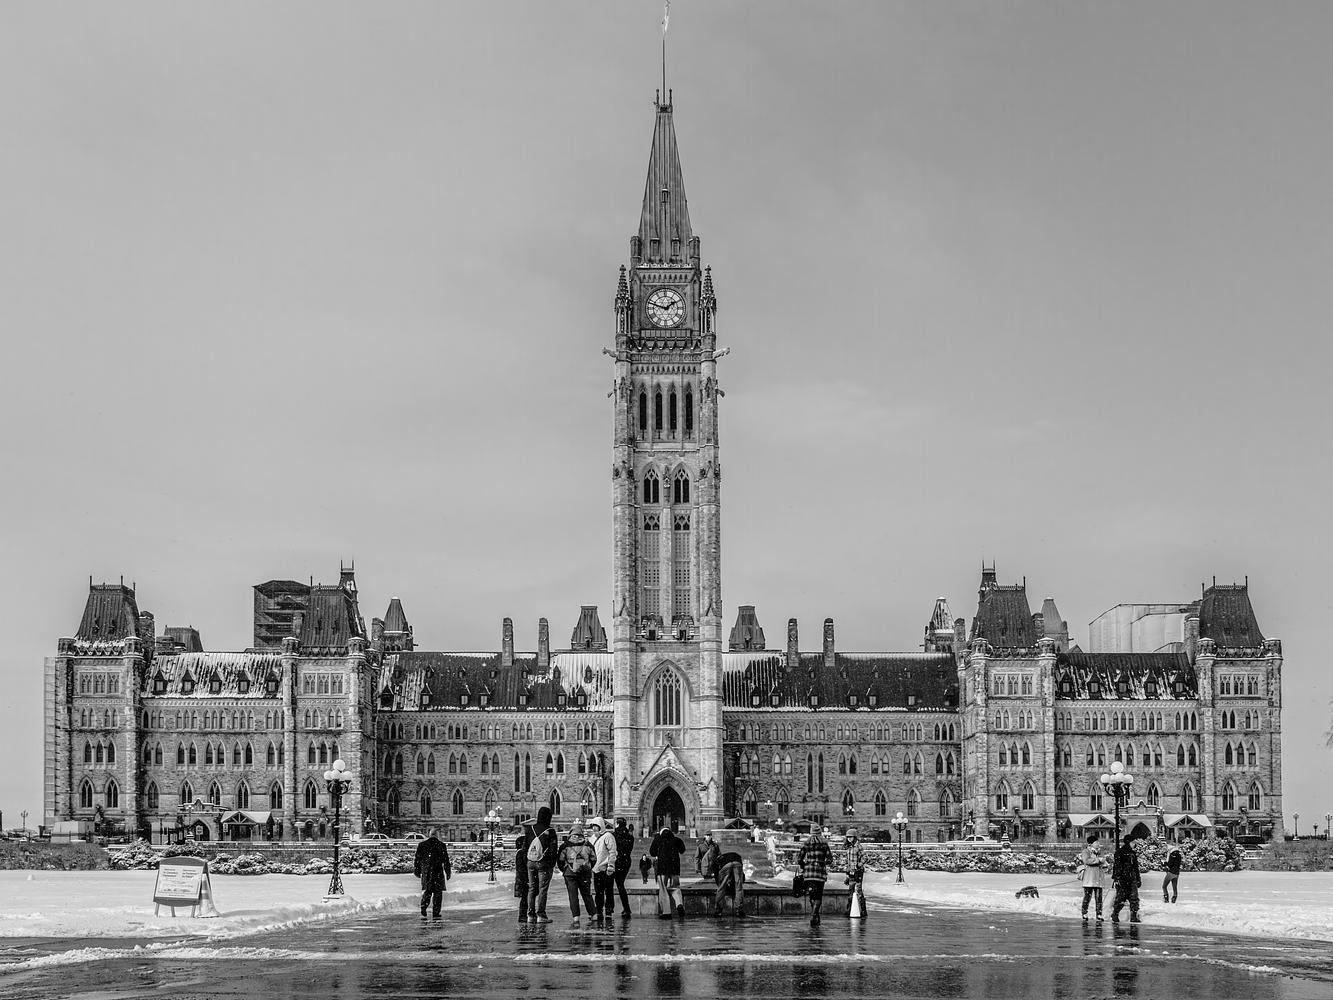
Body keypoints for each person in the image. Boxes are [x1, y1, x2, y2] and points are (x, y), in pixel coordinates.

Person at [556, 821, 597, 922]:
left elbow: (560, 860)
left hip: (570, 873)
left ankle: (576, 917)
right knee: (587, 894)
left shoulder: (565, 845)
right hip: (585, 873)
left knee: (573, 896)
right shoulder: (588, 844)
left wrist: (565, 869)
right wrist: (587, 867)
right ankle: (593, 914)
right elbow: (594, 858)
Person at [524, 805, 558, 923]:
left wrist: (527, 861)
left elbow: (525, 847)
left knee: (532, 888)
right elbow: (553, 850)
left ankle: (530, 915)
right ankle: (541, 915)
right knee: (543, 889)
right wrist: (552, 864)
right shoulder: (550, 831)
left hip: (531, 862)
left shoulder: (530, 829)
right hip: (544, 863)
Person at [796, 826, 832, 927]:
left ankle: (816, 917)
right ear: (820, 833)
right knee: (818, 895)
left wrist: (804, 865)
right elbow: (830, 859)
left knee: (812, 895)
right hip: (819, 873)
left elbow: (799, 859)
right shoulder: (824, 843)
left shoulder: (806, 843)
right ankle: (814, 915)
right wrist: (823, 863)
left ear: (811, 832)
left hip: (808, 874)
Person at [413, 827, 453, 919]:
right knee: (437, 894)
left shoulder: (422, 845)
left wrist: (417, 871)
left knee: (427, 891)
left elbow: (417, 859)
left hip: (426, 872)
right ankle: (436, 912)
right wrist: (448, 872)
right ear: (437, 835)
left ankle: (423, 908)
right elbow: (446, 860)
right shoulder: (441, 845)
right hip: (437, 872)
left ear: (429, 835)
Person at [649, 824, 687, 919]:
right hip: (674, 868)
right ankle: (679, 904)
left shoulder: (658, 839)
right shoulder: (677, 840)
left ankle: (667, 912)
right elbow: (682, 850)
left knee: (663, 889)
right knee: (675, 887)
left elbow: (652, 852)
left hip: (663, 868)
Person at [1110, 830, 1143, 924]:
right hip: (1124, 878)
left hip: (1130, 878)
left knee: (1132, 898)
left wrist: (1138, 879)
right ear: (1129, 842)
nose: (1134, 844)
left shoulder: (1131, 853)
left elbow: (1135, 867)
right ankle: (1116, 913)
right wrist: (1117, 877)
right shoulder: (1121, 852)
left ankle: (1132, 915)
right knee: (1122, 897)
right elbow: (1117, 866)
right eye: (1133, 842)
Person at [589, 817, 619, 919]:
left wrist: (611, 865)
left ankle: (609, 910)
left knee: (608, 891)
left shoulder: (608, 836)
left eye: (596, 826)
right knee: (598, 892)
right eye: (593, 826)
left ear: (600, 826)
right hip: (596, 868)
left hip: (606, 868)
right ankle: (599, 910)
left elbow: (612, 851)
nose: (594, 828)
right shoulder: (592, 838)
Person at [1076, 834, 1106, 922]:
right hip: (1089, 877)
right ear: (1090, 844)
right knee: (1087, 896)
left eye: (1098, 842)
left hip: (1098, 878)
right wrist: (1098, 860)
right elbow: (1086, 861)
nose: (1098, 844)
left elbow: (1103, 860)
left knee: (1099, 897)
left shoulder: (1100, 851)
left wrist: (1103, 862)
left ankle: (1099, 914)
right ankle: (1084, 913)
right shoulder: (1086, 851)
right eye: (1096, 842)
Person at [712, 848, 746, 917]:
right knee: (738, 886)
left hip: (726, 865)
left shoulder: (716, 861)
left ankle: (718, 910)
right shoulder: (735, 855)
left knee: (721, 887)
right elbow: (742, 876)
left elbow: (717, 877)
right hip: (737, 862)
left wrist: (722, 885)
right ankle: (739, 910)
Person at [612, 817, 635, 918]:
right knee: (620, 885)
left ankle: (609, 908)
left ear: (617, 824)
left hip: (616, 861)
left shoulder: (613, 835)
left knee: (610, 885)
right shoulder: (630, 837)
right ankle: (626, 908)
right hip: (626, 861)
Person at [844, 827, 867, 919]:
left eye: (851, 837)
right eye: (848, 837)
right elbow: (848, 861)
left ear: (854, 837)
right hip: (851, 872)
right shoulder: (848, 847)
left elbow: (865, 857)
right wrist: (847, 873)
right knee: (850, 890)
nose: (849, 839)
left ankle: (863, 910)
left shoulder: (858, 846)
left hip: (858, 872)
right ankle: (849, 910)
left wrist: (859, 865)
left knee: (858, 890)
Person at [513, 828, 530, 922]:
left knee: (526, 897)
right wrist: (526, 878)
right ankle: (522, 915)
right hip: (522, 879)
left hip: (522, 878)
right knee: (524, 898)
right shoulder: (520, 853)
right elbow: (521, 868)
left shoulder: (520, 852)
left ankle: (524, 915)